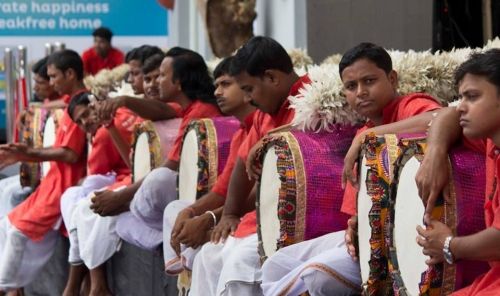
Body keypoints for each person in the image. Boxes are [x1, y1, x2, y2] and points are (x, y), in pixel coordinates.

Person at [261, 42, 447, 296]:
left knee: (316, 274)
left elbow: (438, 118)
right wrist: (354, 226)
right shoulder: (363, 132)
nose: (360, 92)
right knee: (276, 264)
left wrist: (368, 136)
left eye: (369, 81)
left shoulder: (409, 107)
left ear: (392, 79)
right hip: (364, 240)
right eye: (351, 86)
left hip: (402, 242)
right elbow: (357, 212)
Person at [186, 36, 310, 296]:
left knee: (239, 263)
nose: (248, 98)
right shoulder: (265, 112)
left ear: (272, 78)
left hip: (297, 222)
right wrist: (229, 213)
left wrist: (268, 141)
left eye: (249, 89)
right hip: (258, 217)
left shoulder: (312, 101)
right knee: (208, 255)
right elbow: (243, 163)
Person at [74, 48, 220, 256]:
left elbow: (172, 165)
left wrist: (121, 197)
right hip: (156, 197)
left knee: (159, 179)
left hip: (199, 197)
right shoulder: (188, 107)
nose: (153, 82)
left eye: (161, 75)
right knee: (119, 222)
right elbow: (159, 114)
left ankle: (131, 209)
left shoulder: (200, 111)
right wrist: (117, 112)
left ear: (178, 82)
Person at [0, 49, 87, 293]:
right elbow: (66, 102)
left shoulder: (82, 105)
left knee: (17, 232)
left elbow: (70, 154)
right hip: (52, 181)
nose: (51, 83)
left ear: (70, 74)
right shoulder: (73, 100)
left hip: (64, 185)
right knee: (6, 224)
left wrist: (26, 154)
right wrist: (37, 108)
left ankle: (6, 288)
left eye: (53, 76)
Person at [416, 49, 500, 296]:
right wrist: (434, 153)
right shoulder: (490, 141)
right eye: (461, 97)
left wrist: (448, 245)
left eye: (472, 97)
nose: (461, 107)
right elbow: (446, 116)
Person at [162, 56, 256, 274]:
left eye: (225, 84)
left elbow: (261, 195)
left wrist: (210, 219)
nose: (217, 93)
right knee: (176, 210)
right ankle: (182, 266)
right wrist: (191, 211)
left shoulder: (262, 127)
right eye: (216, 86)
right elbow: (221, 191)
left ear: (247, 86)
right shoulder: (241, 133)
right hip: (234, 214)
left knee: (208, 254)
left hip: (257, 218)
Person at [60, 92, 141, 296]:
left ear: (97, 104)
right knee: (76, 197)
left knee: (85, 203)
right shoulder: (122, 112)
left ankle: (92, 285)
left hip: (134, 179)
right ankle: (90, 284)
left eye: (86, 114)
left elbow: (95, 170)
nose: (85, 122)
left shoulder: (105, 131)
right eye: (79, 121)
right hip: (129, 175)